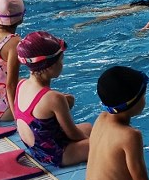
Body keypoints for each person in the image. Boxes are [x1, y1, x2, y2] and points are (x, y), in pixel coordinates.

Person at [14, 31, 93, 167]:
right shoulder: (54, 98)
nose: (62, 65)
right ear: (50, 66)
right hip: (55, 155)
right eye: (60, 61)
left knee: (88, 127)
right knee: (102, 144)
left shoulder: (21, 84)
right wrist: (93, 143)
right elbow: (73, 134)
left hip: (37, 150)